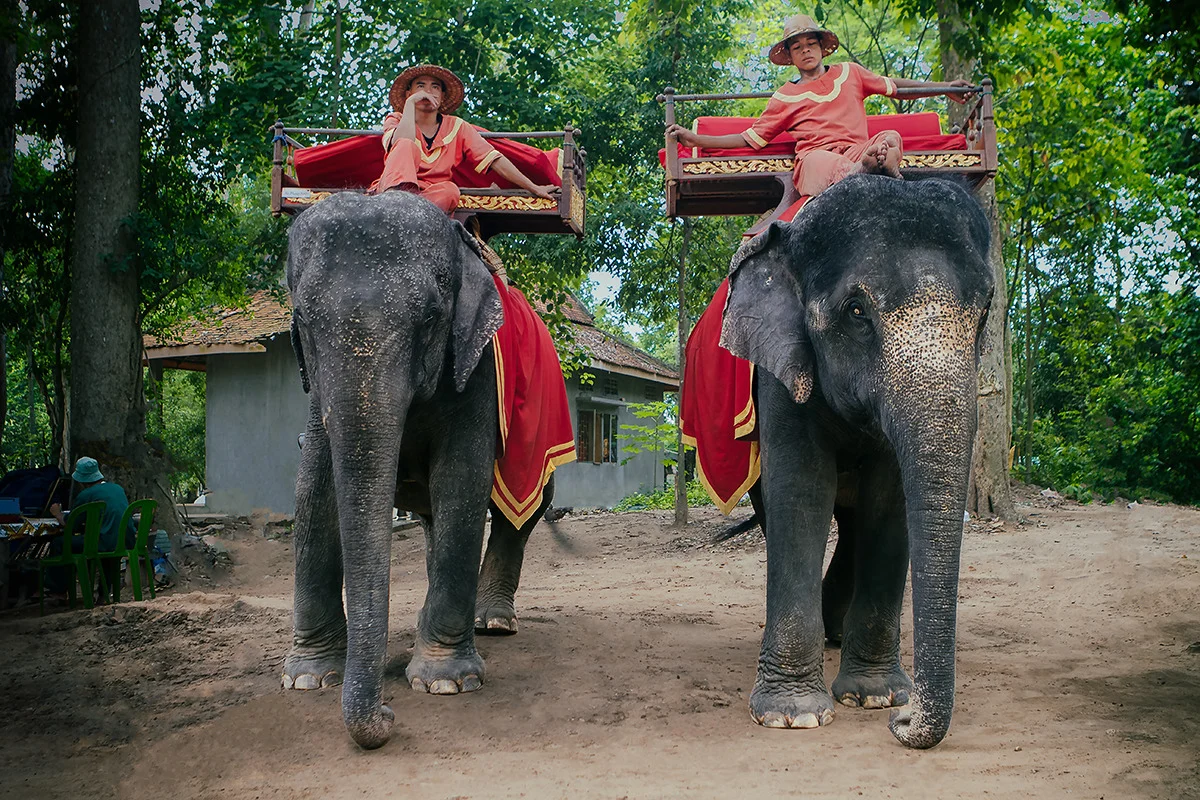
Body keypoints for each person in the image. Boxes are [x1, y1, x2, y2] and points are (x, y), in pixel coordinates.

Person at [666, 14, 977, 200]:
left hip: (857, 148)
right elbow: (749, 138)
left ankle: (883, 167)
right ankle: (864, 171)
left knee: (890, 137)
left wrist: (944, 89)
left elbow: (896, 88)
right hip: (816, 161)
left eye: (810, 44)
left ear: (820, 47)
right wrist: (696, 140)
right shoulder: (785, 96)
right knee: (818, 161)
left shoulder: (850, 73)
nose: (805, 51)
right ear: (790, 56)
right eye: (797, 47)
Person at [371, 64, 558, 213]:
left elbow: (495, 159)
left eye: (435, 87)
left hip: (428, 199)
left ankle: (414, 214)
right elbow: (401, 142)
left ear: (442, 96)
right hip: (394, 195)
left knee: (450, 190)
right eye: (421, 86)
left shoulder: (457, 126)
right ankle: (396, 205)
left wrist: (534, 188)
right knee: (406, 145)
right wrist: (410, 104)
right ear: (408, 94)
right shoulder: (395, 119)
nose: (428, 92)